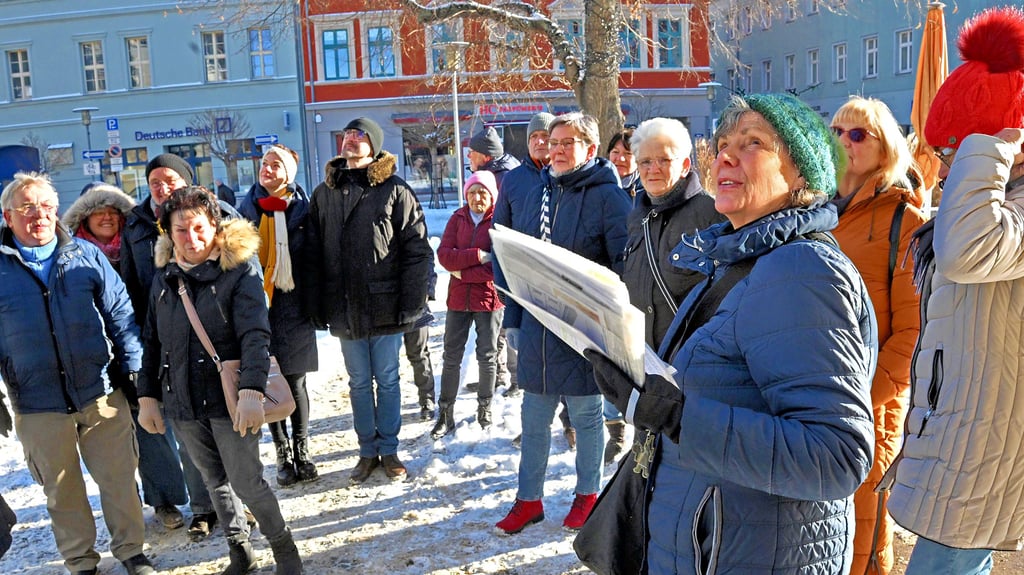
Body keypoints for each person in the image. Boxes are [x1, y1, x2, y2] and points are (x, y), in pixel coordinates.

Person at [587, 93, 877, 574]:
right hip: (710, 544)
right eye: (722, 143)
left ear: (800, 174)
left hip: (746, 554)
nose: (724, 155)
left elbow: (836, 456)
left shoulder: (801, 270)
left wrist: (677, 417)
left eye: (753, 143)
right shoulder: (739, 260)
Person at [883, 7, 1024, 574]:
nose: (941, 167)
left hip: (986, 443)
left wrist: (988, 139)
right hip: (965, 429)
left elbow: (968, 253)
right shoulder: (991, 200)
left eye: (950, 151)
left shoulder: (995, 205)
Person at [136, 187, 303, 575]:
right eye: (180, 230)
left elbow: (256, 334)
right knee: (213, 480)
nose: (191, 239)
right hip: (183, 400)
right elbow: (151, 339)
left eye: (199, 228)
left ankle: (284, 548)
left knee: (247, 481)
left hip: (230, 399)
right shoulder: (163, 277)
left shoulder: (239, 270)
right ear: (168, 232)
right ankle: (240, 550)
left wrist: (251, 389)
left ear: (214, 226)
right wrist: (147, 395)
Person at [0, 172, 156, 575]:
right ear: (7, 216)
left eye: (47, 206)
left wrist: (134, 369)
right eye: (28, 207)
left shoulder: (86, 256)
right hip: (37, 403)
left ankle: (132, 552)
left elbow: (121, 315)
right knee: (62, 490)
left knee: (120, 479)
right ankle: (80, 561)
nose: (39, 215)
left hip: (100, 391)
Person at [494, 112, 632, 534]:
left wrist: (603, 314)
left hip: (583, 326)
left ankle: (588, 496)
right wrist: (513, 315)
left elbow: (624, 264)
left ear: (589, 149)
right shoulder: (540, 189)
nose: (555, 149)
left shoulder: (608, 197)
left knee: (587, 417)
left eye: (566, 142)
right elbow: (511, 256)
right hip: (537, 322)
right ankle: (528, 500)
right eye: (552, 141)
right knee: (533, 417)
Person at [829, 96, 928, 575]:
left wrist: (862, 397)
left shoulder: (903, 221)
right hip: (812, 399)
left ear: (885, 146)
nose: (843, 141)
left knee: (863, 538)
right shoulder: (815, 211)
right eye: (837, 130)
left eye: (858, 134)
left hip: (871, 406)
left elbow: (914, 333)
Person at [63, 183, 196, 530]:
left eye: (113, 212)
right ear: (84, 218)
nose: (107, 217)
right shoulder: (68, 254)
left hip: (139, 348)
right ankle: (127, 503)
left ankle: (164, 500)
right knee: (113, 440)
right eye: (98, 212)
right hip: (92, 359)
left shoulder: (137, 245)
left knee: (151, 428)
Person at [308, 117, 433, 483]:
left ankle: (390, 449)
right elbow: (313, 253)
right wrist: (317, 303)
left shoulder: (395, 190)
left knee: (389, 379)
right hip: (344, 307)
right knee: (359, 383)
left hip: (387, 306)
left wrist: (413, 302)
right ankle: (367, 452)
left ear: (374, 145)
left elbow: (417, 249)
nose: (351, 140)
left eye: (359, 135)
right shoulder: (324, 193)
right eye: (347, 134)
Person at [121, 153, 227, 541]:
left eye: (169, 180)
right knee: (187, 433)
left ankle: (233, 500)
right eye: (154, 182)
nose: (162, 187)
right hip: (166, 336)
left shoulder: (213, 213)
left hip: (213, 336)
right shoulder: (136, 224)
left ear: (185, 181)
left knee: (226, 430)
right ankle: (202, 508)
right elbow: (131, 285)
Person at [616, 117, 724, 464]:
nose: (653, 169)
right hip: (646, 373)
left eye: (664, 160)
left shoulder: (712, 213)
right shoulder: (637, 218)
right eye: (645, 161)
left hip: (695, 376)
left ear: (686, 164)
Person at [238, 145, 320, 488]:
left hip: (296, 306)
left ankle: (302, 451)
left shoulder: (303, 208)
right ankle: (283, 453)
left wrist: (318, 303)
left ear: (289, 173)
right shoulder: (245, 209)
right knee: (270, 379)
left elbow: (317, 257)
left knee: (297, 381)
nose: (267, 169)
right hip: (261, 306)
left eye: (275, 165)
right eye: (264, 164)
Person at [432, 170, 504, 439]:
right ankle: (445, 412)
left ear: (491, 196)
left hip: (488, 299)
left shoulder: (499, 221)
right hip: (458, 300)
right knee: (452, 356)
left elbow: (498, 265)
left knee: (487, 355)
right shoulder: (457, 218)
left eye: (482, 192)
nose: (477, 197)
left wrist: (463, 271)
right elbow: (444, 256)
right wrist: (477, 256)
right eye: (472, 192)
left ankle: (485, 408)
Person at [494, 112, 554, 399]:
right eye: (534, 137)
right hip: (525, 289)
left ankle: (570, 425)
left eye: (546, 136)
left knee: (570, 363)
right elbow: (499, 236)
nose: (540, 141)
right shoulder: (513, 180)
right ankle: (535, 424)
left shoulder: (568, 175)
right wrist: (504, 289)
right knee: (532, 366)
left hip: (564, 285)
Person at [403, 266, 438, 421]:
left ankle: (427, 400)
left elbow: (427, 263)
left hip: (416, 306)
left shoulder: (417, 241)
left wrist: (426, 292)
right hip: (385, 308)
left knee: (419, 354)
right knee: (385, 363)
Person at [606, 127, 641, 198]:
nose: (621, 159)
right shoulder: (597, 187)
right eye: (615, 152)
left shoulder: (648, 191)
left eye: (628, 153)